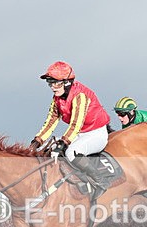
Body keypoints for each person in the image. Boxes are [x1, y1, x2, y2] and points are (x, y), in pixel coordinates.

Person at [31, 61, 112, 197]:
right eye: (50, 83)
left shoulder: (80, 96)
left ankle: (101, 181)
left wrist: (63, 143)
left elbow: (76, 123)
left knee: (71, 153)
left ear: (67, 82)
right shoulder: (57, 98)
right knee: (50, 149)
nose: (52, 87)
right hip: (80, 134)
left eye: (56, 83)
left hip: (96, 133)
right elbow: (51, 121)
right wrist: (37, 142)